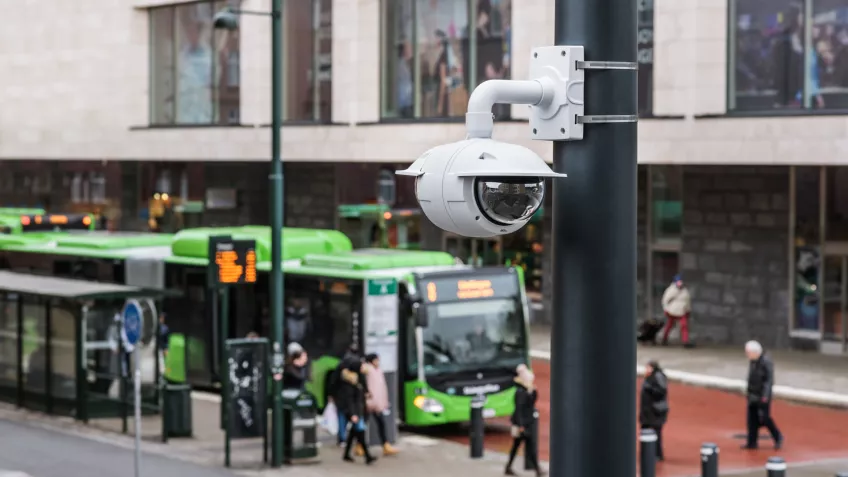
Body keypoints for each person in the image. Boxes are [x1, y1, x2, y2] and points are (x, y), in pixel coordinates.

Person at [742, 340, 783, 450]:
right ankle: (752, 442)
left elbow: (768, 381)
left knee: (764, 418)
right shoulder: (753, 361)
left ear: (755, 352)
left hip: (762, 395)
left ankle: (777, 436)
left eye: (748, 353)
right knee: (752, 420)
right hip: (752, 395)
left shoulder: (766, 362)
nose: (747, 355)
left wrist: (765, 396)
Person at [505, 364, 544, 476]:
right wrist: (521, 425)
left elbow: (532, 401)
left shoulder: (526, 391)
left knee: (517, 446)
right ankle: (537, 469)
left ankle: (509, 466)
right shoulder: (520, 392)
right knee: (529, 446)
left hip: (525, 422)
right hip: (523, 424)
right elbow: (519, 409)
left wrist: (532, 391)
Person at [337, 361, 376, 464]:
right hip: (356, 412)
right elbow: (350, 400)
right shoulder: (350, 381)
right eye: (361, 366)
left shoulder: (358, 378)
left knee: (354, 433)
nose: (363, 367)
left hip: (359, 410)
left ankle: (346, 454)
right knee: (361, 432)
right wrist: (353, 414)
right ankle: (368, 456)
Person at [360, 353, 398, 456]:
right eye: (376, 360)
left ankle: (385, 445)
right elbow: (361, 375)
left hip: (377, 403)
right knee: (362, 425)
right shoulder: (367, 369)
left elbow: (381, 388)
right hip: (368, 402)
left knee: (380, 423)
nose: (378, 362)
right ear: (371, 361)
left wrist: (383, 401)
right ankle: (359, 445)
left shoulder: (378, 371)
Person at [639, 360, 669, 461]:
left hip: (655, 412)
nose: (646, 369)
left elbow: (661, 391)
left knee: (656, 433)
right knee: (646, 432)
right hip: (648, 412)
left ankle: (657, 454)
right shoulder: (649, 378)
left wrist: (650, 389)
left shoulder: (658, 376)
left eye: (648, 367)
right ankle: (648, 452)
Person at [660, 274, 692, 347]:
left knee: (684, 325)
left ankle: (685, 341)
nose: (680, 283)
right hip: (672, 311)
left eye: (681, 281)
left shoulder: (685, 291)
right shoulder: (671, 290)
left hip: (682, 311)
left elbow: (687, 301)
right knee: (669, 325)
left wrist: (688, 310)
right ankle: (664, 338)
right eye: (678, 281)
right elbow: (665, 300)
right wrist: (666, 310)